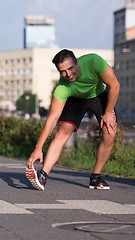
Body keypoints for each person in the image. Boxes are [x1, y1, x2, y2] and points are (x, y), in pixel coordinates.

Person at [25, 49, 120, 191]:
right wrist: (38, 148)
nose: (68, 74)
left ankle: (95, 177)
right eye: (63, 71)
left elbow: (114, 85)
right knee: (62, 133)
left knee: (110, 132)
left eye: (70, 68)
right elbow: (52, 119)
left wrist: (107, 113)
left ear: (77, 63)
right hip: (75, 100)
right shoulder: (62, 88)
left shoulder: (93, 61)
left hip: (99, 96)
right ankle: (42, 176)